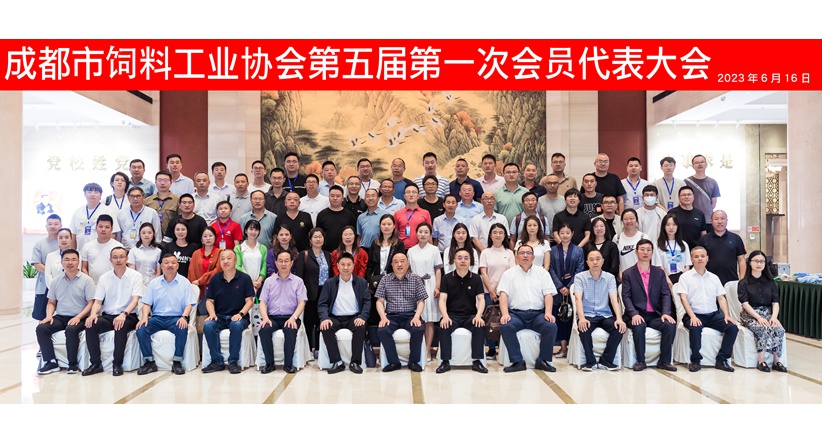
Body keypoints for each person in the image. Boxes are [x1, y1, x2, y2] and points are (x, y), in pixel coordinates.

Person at [498, 244, 559, 372]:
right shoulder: (508, 274)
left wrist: (548, 313)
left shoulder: (542, 273)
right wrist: (505, 314)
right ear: (516, 256)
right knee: (506, 326)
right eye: (522, 253)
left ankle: (543, 360)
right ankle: (517, 362)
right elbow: (503, 295)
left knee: (551, 326)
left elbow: (548, 294)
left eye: (528, 253)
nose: (525, 256)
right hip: (516, 314)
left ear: (533, 257)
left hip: (537, 315)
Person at [82, 246, 142, 376]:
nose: (118, 260)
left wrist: (123, 314)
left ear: (127, 258)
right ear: (110, 260)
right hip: (108, 316)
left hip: (129, 315)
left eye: (121, 257)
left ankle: (117, 364)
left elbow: (135, 300)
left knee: (120, 325)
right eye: (115, 257)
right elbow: (98, 301)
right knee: (91, 324)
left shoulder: (135, 276)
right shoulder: (104, 278)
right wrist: (93, 314)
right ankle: (96, 364)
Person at [677, 246, 739, 372]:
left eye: (702, 256)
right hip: (694, 314)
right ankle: (695, 360)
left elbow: (721, 298)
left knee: (732, 328)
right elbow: (683, 298)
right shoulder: (685, 277)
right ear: (691, 259)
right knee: (695, 328)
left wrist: (726, 315)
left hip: (713, 315)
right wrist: (692, 316)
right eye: (696, 257)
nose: (700, 259)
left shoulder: (714, 277)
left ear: (707, 258)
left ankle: (722, 359)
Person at [35, 249, 95, 375]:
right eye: (66, 259)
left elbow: (91, 303)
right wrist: (49, 316)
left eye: (73, 259)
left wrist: (78, 317)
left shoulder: (87, 280)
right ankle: (51, 362)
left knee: (71, 329)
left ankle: (72, 364)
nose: (70, 263)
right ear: (61, 262)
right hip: (61, 316)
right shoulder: (56, 281)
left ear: (78, 262)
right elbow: (51, 302)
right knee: (41, 328)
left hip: (80, 316)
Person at [135, 253, 197, 375]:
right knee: (141, 329)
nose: (170, 265)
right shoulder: (154, 283)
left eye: (173, 262)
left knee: (182, 327)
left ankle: (177, 362)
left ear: (177, 265)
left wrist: (184, 317)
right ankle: (149, 362)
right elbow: (146, 303)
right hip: (157, 318)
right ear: (161, 266)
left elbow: (189, 304)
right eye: (166, 263)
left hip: (176, 318)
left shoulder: (185, 282)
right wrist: (144, 317)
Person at [620, 240, 677, 372]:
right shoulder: (628, 273)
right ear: (636, 252)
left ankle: (664, 361)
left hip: (655, 314)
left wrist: (666, 313)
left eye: (648, 250)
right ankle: (641, 361)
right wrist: (634, 314)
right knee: (639, 326)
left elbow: (665, 294)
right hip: (636, 314)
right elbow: (626, 296)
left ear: (652, 252)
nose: (645, 252)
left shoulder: (659, 273)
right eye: (642, 249)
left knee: (669, 325)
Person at [201, 249, 255, 374]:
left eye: (229, 258)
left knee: (236, 326)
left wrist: (240, 314)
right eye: (222, 259)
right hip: (219, 316)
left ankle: (233, 362)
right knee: (208, 325)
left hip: (239, 316)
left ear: (235, 261)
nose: (225, 261)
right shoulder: (215, 279)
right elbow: (209, 301)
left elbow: (249, 301)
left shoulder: (244, 278)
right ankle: (217, 361)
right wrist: (212, 314)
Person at [573, 248, 626, 371]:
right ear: (587, 262)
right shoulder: (580, 277)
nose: (595, 262)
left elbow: (614, 299)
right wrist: (581, 318)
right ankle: (590, 362)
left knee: (619, 328)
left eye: (598, 259)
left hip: (605, 314)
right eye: (591, 260)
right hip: (587, 314)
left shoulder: (609, 277)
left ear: (603, 261)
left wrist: (619, 318)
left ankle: (606, 361)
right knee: (584, 328)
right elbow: (578, 298)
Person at [318, 252, 371, 374]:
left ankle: (355, 362)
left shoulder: (361, 283)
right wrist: (325, 318)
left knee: (360, 327)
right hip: (335, 317)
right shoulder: (330, 283)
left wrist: (362, 317)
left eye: (348, 264)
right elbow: (322, 303)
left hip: (354, 317)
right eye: (343, 264)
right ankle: (337, 362)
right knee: (326, 327)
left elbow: (367, 302)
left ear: (353, 266)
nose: (345, 267)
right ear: (337, 266)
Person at [436, 248, 488, 374]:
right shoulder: (447, 278)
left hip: (470, 315)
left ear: (470, 261)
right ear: (454, 261)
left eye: (466, 258)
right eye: (459, 258)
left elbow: (481, 300)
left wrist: (478, 315)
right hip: (452, 315)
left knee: (479, 325)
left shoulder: (476, 278)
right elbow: (442, 300)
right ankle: (445, 361)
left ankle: (477, 361)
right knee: (444, 326)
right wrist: (445, 316)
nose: (463, 261)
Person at [375, 253, 427, 372]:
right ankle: (394, 362)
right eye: (396, 262)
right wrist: (383, 317)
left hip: (410, 315)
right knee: (382, 330)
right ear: (392, 265)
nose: (399, 264)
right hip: (391, 316)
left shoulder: (416, 279)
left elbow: (421, 301)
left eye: (402, 261)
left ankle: (413, 361)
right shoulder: (385, 279)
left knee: (418, 329)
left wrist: (417, 317)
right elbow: (379, 301)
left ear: (407, 264)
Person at [738, 250, 787, 373]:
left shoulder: (770, 282)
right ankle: (761, 361)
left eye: (762, 261)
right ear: (750, 263)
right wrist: (758, 318)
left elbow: (775, 302)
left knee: (779, 329)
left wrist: (774, 317)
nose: (759, 264)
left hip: (767, 313)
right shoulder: (743, 283)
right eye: (756, 261)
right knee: (763, 328)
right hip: (750, 314)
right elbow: (745, 304)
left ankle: (776, 360)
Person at [258, 250, 307, 374]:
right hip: (272, 317)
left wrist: (293, 317)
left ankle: (288, 364)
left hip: (291, 316)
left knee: (290, 330)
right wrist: (265, 318)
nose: (283, 264)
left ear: (291, 263)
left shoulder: (298, 281)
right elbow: (262, 302)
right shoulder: (269, 281)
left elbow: (302, 303)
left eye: (286, 261)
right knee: (264, 330)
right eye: (280, 261)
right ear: (276, 263)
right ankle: (269, 364)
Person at [478, 223, 516, 358]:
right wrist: (491, 290)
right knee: (490, 319)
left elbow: (511, 273)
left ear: (505, 235)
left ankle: (504, 347)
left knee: (505, 318)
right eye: (495, 232)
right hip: (488, 292)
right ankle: (491, 348)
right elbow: (483, 273)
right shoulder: (485, 252)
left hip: (505, 292)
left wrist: (501, 291)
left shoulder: (509, 253)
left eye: (501, 232)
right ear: (490, 235)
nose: (498, 235)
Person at [294, 228, 332, 357]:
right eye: (315, 237)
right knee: (309, 322)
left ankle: (320, 349)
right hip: (310, 293)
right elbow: (299, 277)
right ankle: (309, 349)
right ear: (310, 240)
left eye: (320, 236)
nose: (318, 239)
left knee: (322, 320)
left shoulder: (328, 255)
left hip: (325, 292)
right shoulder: (304, 255)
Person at [407, 222, 443, 360]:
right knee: (417, 317)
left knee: (429, 319)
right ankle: (417, 349)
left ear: (430, 234)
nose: (423, 234)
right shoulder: (411, 251)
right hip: (414, 283)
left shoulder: (434, 250)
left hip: (430, 284)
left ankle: (427, 350)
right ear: (416, 233)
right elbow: (409, 270)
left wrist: (437, 287)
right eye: (420, 231)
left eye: (426, 232)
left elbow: (438, 269)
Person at [549, 223, 585, 358]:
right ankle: (563, 347)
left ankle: (572, 348)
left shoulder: (578, 250)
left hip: (573, 289)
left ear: (572, 234)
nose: (565, 235)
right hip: (557, 288)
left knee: (571, 317)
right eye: (562, 233)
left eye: (567, 232)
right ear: (558, 234)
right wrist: (560, 286)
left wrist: (569, 286)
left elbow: (580, 269)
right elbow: (551, 269)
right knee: (560, 317)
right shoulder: (553, 250)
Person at [366, 215, 407, 331]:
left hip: (393, 280)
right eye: (384, 224)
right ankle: (375, 336)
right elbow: (370, 265)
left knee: (390, 309)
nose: (386, 227)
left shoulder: (399, 244)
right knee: (376, 308)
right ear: (380, 226)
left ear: (394, 226)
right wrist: (369, 281)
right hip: (377, 281)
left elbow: (401, 264)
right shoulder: (375, 243)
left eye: (389, 224)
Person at [698, 210, 747, 286]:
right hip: (708, 281)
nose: (720, 221)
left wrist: (742, 280)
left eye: (722, 218)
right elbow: (699, 261)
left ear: (727, 220)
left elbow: (741, 260)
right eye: (716, 219)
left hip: (731, 281)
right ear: (711, 221)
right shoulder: (704, 239)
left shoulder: (736, 238)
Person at [69, 182, 121, 253]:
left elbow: (113, 233)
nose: (92, 194)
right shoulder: (78, 212)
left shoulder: (108, 211)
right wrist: (73, 252)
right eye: (89, 192)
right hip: (81, 252)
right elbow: (73, 234)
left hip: (101, 252)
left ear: (101, 195)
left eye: (96, 192)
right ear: (84, 194)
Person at [31, 214, 62, 323]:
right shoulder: (39, 244)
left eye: (56, 224)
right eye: (50, 224)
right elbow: (36, 264)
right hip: (43, 285)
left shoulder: (65, 242)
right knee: (42, 317)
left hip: (64, 285)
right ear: (46, 226)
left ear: (61, 225)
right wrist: (51, 274)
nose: (53, 226)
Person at [81, 215, 124, 284]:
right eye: (100, 226)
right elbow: (84, 268)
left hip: (113, 284)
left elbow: (121, 268)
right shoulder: (87, 246)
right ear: (96, 228)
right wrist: (89, 283)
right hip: (93, 284)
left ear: (112, 229)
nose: (103, 229)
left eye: (107, 227)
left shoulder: (118, 247)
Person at [652, 213, 692, 286]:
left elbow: (687, 265)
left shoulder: (684, 244)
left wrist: (684, 281)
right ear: (663, 227)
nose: (671, 227)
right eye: (668, 225)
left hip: (682, 278)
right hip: (665, 278)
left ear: (677, 226)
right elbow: (659, 266)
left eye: (674, 225)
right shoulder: (657, 245)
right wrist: (668, 282)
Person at [188, 227, 221, 317]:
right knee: (201, 315)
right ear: (201, 238)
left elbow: (217, 271)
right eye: (205, 236)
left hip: (215, 289)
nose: (208, 238)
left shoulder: (220, 253)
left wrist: (200, 281)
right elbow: (191, 272)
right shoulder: (196, 253)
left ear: (215, 237)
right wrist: (194, 288)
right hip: (200, 290)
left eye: (211, 236)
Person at [117, 186, 161, 251]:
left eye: (138, 196)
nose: (135, 199)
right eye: (132, 196)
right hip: (126, 249)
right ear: (128, 198)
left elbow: (157, 235)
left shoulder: (152, 213)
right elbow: (118, 235)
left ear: (143, 197)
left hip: (146, 250)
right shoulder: (121, 213)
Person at [315, 185, 357, 252]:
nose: (335, 198)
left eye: (338, 196)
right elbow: (318, 234)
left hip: (345, 252)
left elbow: (354, 235)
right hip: (326, 252)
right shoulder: (322, 215)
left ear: (342, 198)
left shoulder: (349, 215)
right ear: (329, 197)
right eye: (332, 196)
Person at [685, 154, 720, 233]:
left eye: (702, 162)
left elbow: (713, 203)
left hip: (708, 220)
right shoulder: (686, 182)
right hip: (691, 219)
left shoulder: (712, 182)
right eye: (697, 162)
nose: (700, 164)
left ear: (706, 164)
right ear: (693, 166)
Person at [613, 209, 650, 280]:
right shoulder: (617, 238)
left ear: (636, 220)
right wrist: (619, 273)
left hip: (642, 277)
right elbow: (615, 259)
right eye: (625, 219)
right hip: (624, 277)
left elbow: (649, 258)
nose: (629, 221)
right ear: (622, 221)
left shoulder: (643, 237)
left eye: (631, 218)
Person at [394, 183, 432, 249]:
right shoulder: (397, 214)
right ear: (404, 196)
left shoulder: (425, 213)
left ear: (418, 196)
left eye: (414, 192)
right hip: (402, 249)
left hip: (421, 248)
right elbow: (395, 234)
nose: (411, 195)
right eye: (408, 192)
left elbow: (429, 234)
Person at [234, 219, 267, 294]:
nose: (253, 232)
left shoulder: (263, 248)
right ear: (246, 230)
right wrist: (250, 281)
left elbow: (264, 267)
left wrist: (258, 281)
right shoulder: (238, 248)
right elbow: (237, 266)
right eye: (251, 229)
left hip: (259, 285)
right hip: (242, 283)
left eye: (256, 230)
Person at [145, 170, 178, 235]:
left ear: (171, 183)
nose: (162, 183)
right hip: (151, 236)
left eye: (165, 180)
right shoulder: (147, 200)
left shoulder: (177, 200)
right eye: (159, 180)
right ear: (155, 182)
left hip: (170, 236)